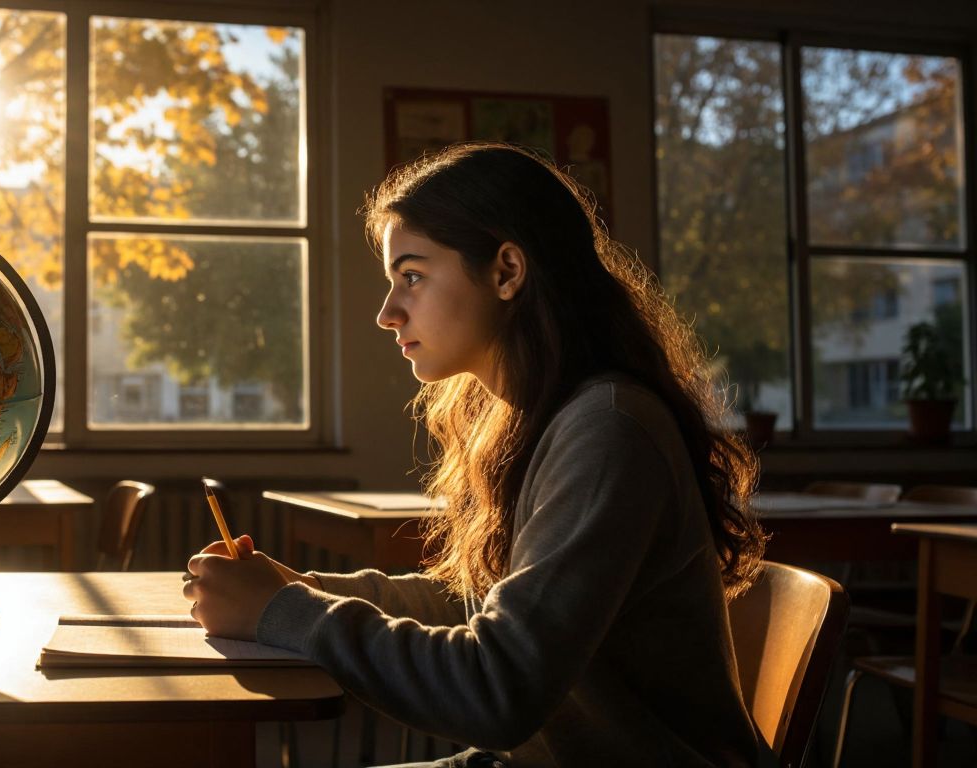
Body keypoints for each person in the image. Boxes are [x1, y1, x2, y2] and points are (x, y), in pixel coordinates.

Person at [182, 142, 771, 767]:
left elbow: (497, 688)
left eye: (411, 276)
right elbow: (484, 609)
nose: (387, 313)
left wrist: (284, 612)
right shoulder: (547, 418)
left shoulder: (608, 431)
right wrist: (299, 590)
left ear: (507, 271)